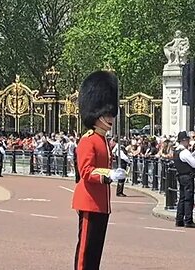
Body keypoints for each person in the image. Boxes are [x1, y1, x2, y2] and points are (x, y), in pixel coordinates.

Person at [72, 70, 127, 270]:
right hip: (89, 202)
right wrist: (108, 175)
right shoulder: (88, 140)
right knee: (85, 252)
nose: (110, 117)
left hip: (101, 203)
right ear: (96, 114)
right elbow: (86, 171)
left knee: (96, 251)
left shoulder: (103, 140)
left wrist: (113, 174)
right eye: (106, 113)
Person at [173, 131, 195, 228]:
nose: (189, 141)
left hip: (180, 176)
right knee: (188, 198)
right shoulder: (185, 152)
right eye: (188, 139)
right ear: (184, 140)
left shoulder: (176, 151)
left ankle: (179, 220)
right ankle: (188, 220)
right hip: (187, 176)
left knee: (182, 198)